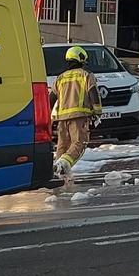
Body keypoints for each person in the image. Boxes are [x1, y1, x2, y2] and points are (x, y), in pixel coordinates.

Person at [52, 45, 103, 180]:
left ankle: (58, 168)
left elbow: (51, 98)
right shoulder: (86, 75)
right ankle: (63, 164)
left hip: (62, 119)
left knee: (62, 146)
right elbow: (93, 94)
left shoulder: (60, 78)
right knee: (79, 144)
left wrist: (48, 118)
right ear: (80, 59)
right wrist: (97, 112)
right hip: (79, 117)